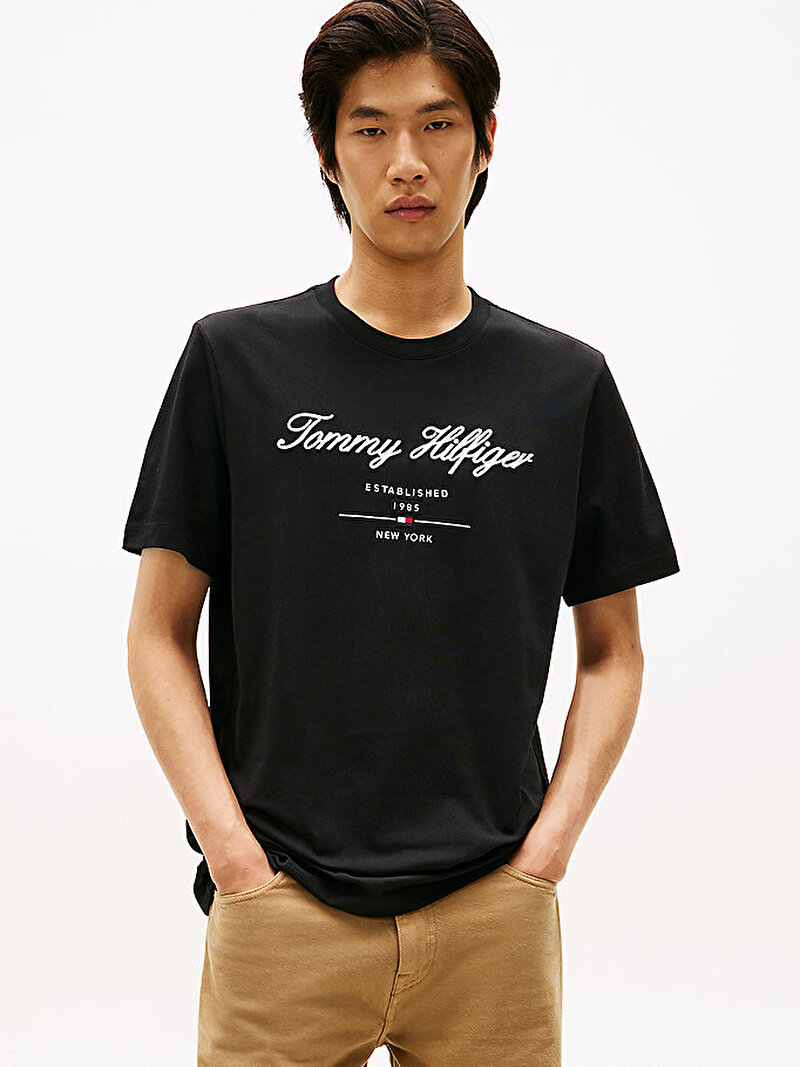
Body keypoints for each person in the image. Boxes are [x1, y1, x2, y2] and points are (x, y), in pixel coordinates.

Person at [122, 1, 680, 1063]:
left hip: (493, 913)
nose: (406, 162)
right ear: (326, 152)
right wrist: (235, 857)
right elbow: (157, 633)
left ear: (485, 140)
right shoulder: (235, 364)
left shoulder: (563, 385)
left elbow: (613, 649)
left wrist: (544, 855)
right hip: (281, 908)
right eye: (369, 128)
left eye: (437, 123)